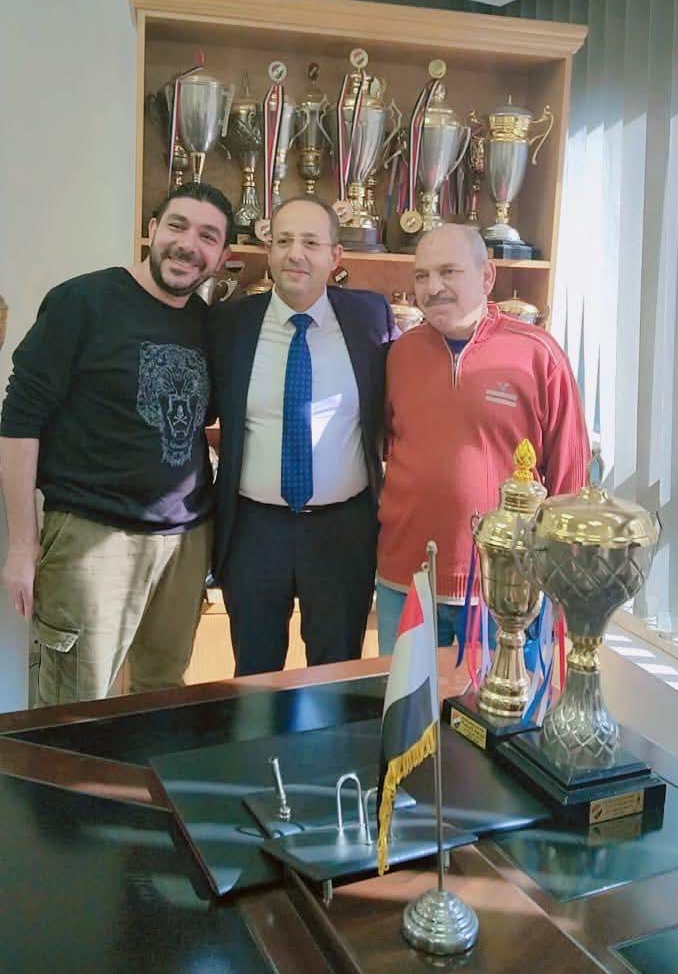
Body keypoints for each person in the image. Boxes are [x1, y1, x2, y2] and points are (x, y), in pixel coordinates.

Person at [0, 180, 234, 706]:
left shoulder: (208, 325)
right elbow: (19, 419)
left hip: (184, 543)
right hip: (92, 536)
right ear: (152, 230)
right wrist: (22, 544)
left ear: (221, 257)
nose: (187, 244)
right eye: (176, 226)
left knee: (162, 698)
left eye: (207, 236)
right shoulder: (82, 302)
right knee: (73, 707)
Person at [375, 223, 590, 654]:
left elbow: (570, 475)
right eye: (422, 275)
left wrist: (564, 579)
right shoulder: (400, 353)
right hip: (406, 582)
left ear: (486, 276)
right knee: (402, 701)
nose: (432, 287)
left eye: (449, 272)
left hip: (507, 588)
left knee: (503, 700)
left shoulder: (538, 354)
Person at [209, 194, 396, 676]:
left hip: (343, 530)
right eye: (284, 240)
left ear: (336, 256)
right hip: (254, 530)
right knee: (254, 675)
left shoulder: (371, 318)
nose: (296, 254)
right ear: (268, 249)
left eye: (311, 243)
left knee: (335, 675)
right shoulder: (229, 325)